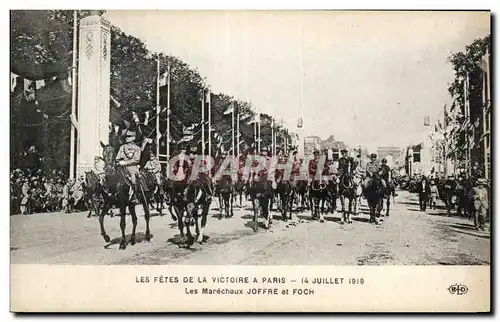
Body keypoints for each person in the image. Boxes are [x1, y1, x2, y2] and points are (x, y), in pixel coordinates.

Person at [115, 130, 142, 202]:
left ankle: (135, 195)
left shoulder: (137, 148)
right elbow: (117, 158)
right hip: (122, 167)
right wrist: (118, 162)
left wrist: (125, 162)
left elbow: (136, 160)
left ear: (133, 138)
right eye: (126, 137)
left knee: (133, 178)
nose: (126, 138)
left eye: (129, 137)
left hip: (132, 167)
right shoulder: (122, 147)